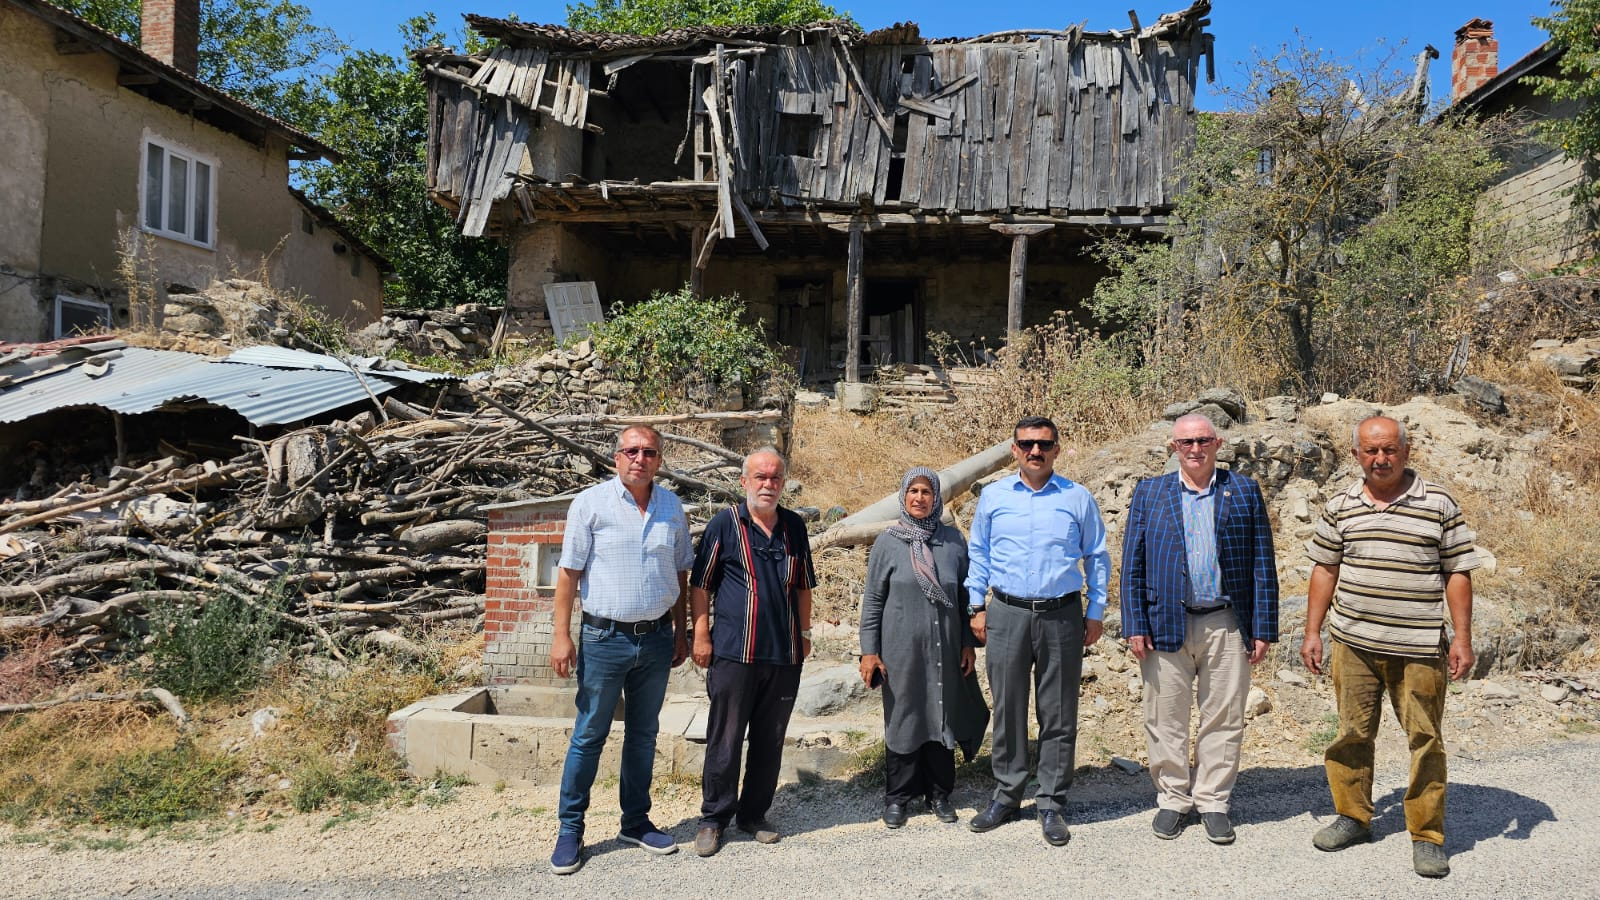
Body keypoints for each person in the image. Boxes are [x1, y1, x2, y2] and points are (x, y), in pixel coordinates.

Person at [1301, 415, 1478, 879]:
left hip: (1418, 647)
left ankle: (1427, 835)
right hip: (1354, 644)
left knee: (1425, 740)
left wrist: (1462, 638)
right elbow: (1324, 568)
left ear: (1406, 449)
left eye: (1389, 450)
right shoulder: (1341, 504)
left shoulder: (1437, 503)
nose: (1380, 459)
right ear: (1357, 454)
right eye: (1370, 451)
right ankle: (1353, 816)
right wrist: (1312, 631)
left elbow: (1458, 572)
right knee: (1351, 734)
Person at [1120, 413, 1280, 845]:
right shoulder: (1151, 492)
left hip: (1227, 622)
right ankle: (1173, 799)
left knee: (1224, 717)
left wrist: (1263, 626)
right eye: (1186, 442)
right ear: (1174, 447)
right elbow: (1132, 563)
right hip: (1164, 620)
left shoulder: (1242, 489)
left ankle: (1213, 801)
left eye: (1203, 440)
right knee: (1164, 716)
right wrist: (1135, 622)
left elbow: (1263, 562)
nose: (1195, 449)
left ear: (1218, 442)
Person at [546, 425, 692, 875]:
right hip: (604, 638)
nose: (640, 459)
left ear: (659, 460)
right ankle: (570, 830)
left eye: (649, 452)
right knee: (589, 735)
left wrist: (681, 631)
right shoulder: (590, 504)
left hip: (656, 640)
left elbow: (682, 574)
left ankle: (635, 821)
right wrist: (561, 634)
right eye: (632, 451)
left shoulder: (672, 507)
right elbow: (568, 575)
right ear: (616, 457)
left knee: (643, 734)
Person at [965, 415, 1110, 847]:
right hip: (1006, 612)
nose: (1035, 452)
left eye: (1043, 445)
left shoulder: (1077, 497)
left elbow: (1097, 556)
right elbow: (979, 553)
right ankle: (1007, 796)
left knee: (1059, 712)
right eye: (1026, 444)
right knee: (1008, 708)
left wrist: (1096, 609)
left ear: (1056, 450)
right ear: (1014, 450)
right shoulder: (993, 497)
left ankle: (1050, 802)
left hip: (1062, 615)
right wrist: (976, 605)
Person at [689, 447, 816, 857]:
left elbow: (802, 586)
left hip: (783, 654)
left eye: (775, 478)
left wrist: (805, 631)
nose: (768, 484)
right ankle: (714, 819)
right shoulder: (724, 525)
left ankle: (753, 814)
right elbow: (701, 585)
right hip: (733, 652)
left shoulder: (794, 526)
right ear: (744, 481)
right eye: (760, 477)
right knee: (725, 737)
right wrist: (701, 635)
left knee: (770, 739)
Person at [859, 467, 990, 828]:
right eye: (913, 491)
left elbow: (965, 597)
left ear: (936, 498)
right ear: (904, 496)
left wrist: (967, 643)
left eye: (926, 492)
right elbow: (872, 602)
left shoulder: (951, 541)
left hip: (945, 649)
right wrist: (869, 651)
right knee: (904, 718)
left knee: (940, 716)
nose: (919, 498)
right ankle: (898, 797)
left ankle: (939, 794)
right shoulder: (888, 542)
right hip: (900, 653)